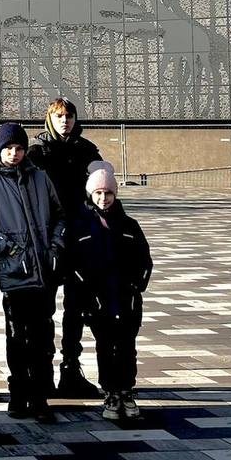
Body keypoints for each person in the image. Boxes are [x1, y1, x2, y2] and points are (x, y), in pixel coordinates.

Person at [0, 122, 63, 422]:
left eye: (19, 148)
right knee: (18, 336)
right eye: (8, 148)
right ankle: (19, 391)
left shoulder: (40, 177)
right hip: (15, 272)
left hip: (44, 270)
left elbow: (59, 216)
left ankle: (39, 395)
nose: (14, 153)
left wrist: (55, 246)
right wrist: (7, 247)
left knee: (42, 335)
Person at [28, 97, 105, 399]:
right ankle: (43, 371)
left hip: (80, 238)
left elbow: (101, 189)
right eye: (60, 116)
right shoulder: (37, 152)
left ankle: (71, 368)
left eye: (70, 116)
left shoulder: (86, 150)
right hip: (48, 238)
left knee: (77, 307)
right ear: (50, 118)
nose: (65, 121)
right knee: (43, 307)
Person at [71, 164, 152, 421]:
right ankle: (111, 393)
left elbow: (145, 261)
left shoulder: (129, 225)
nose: (103, 199)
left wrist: (137, 285)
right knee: (105, 346)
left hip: (126, 299)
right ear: (90, 195)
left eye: (108, 193)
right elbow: (72, 264)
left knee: (127, 347)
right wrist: (86, 293)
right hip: (97, 300)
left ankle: (127, 390)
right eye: (98, 193)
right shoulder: (81, 226)